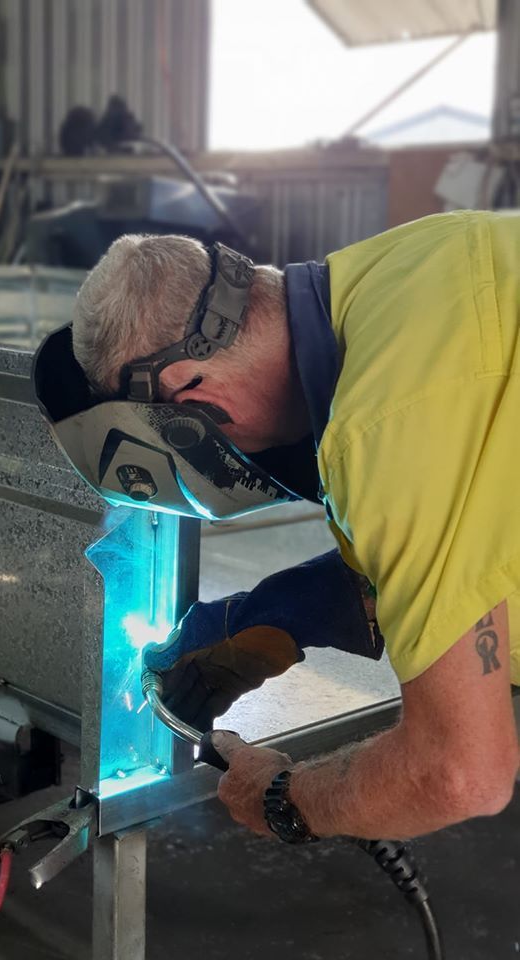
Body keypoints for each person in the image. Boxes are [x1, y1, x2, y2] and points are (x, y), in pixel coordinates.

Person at [65, 211, 520, 843]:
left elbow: (460, 770)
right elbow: (479, 513)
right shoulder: (415, 257)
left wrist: (284, 796)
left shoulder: (378, 431)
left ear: (189, 403)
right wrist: (293, 608)